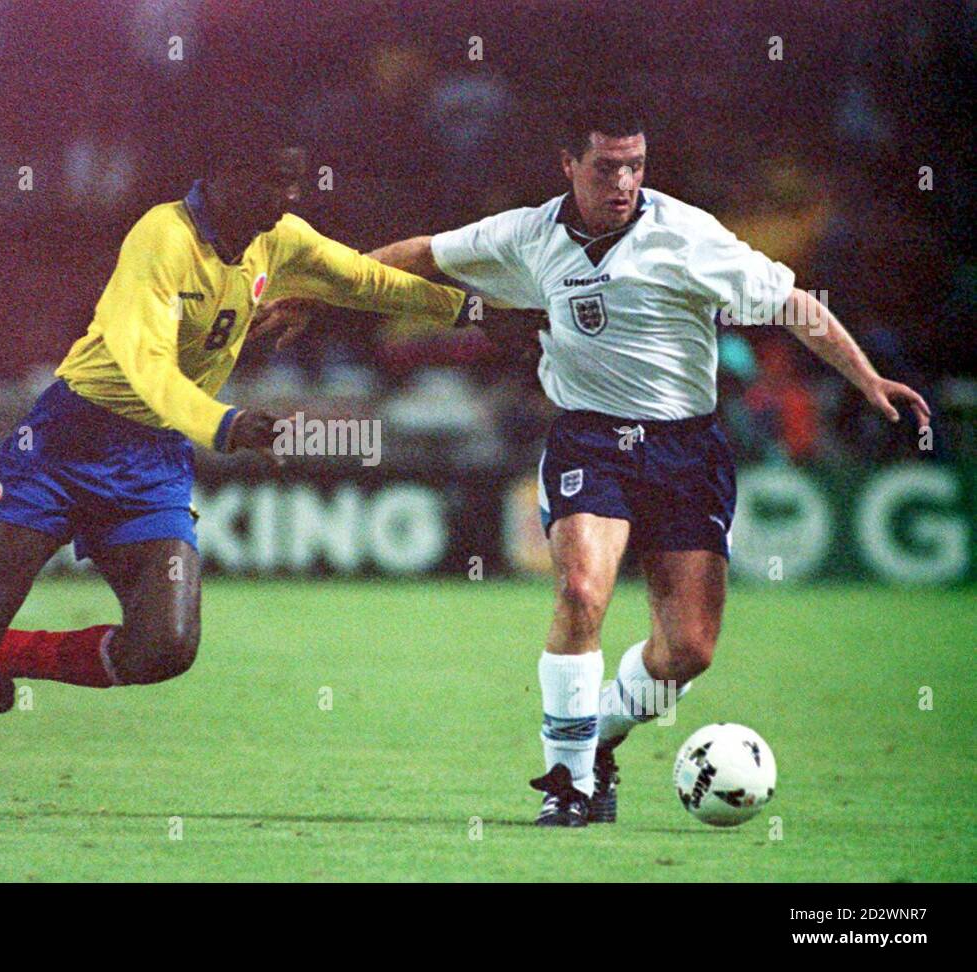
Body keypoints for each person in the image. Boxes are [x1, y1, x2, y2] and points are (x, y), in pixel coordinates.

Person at [251, 104, 930, 827]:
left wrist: (867, 379)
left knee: (688, 652)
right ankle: (569, 784)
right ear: (569, 165)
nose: (625, 181)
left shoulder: (687, 236)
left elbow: (795, 305)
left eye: (636, 165)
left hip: (686, 451)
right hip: (592, 440)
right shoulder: (527, 234)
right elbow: (421, 255)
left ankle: (598, 736)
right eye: (608, 167)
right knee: (579, 591)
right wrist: (318, 298)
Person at [0, 138, 528, 818]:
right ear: (229, 174)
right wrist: (224, 425)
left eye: (295, 182)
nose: (292, 197)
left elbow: (363, 279)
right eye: (277, 180)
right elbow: (146, 366)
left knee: (165, 647)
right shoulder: (161, 238)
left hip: (151, 463)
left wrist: (471, 312)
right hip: (63, 445)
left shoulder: (277, 238)